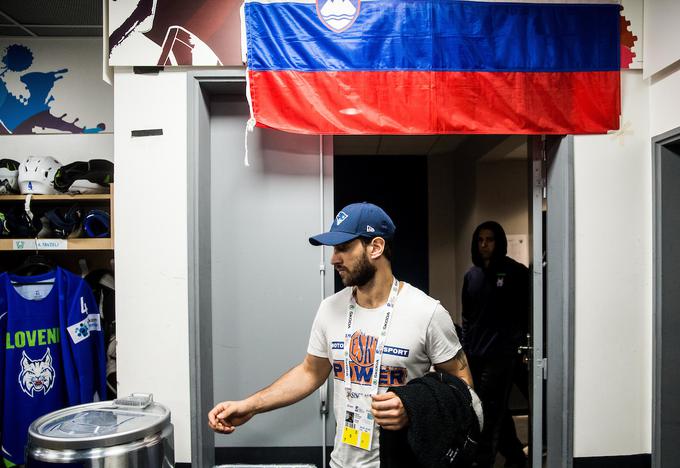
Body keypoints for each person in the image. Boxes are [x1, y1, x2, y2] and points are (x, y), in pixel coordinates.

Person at [208, 202, 473, 468]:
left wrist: (414, 408)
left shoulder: (427, 312)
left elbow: (464, 388)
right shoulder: (330, 308)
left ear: (376, 247)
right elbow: (310, 372)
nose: (334, 258)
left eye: (343, 248)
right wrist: (250, 406)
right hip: (341, 462)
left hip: (405, 461)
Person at [461, 221, 530, 468]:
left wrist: (517, 344)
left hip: (501, 355)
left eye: (489, 240)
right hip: (475, 355)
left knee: (488, 413)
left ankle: (483, 462)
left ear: (498, 242)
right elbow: (467, 317)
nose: (484, 245)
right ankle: (515, 457)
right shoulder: (472, 276)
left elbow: (526, 315)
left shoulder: (517, 273)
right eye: (480, 240)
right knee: (490, 410)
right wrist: (465, 350)